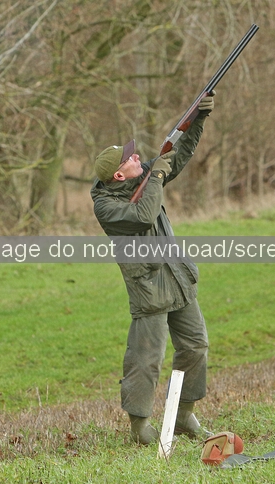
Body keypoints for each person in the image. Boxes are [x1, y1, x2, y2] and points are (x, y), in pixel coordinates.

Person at [90, 94, 214, 445]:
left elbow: (178, 156)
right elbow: (143, 215)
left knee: (196, 347)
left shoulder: (143, 178)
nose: (136, 157)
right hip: (149, 288)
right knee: (146, 359)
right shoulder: (107, 207)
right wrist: (157, 175)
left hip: (177, 278)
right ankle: (140, 427)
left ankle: (184, 415)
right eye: (129, 158)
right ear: (118, 174)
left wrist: (198, 119)